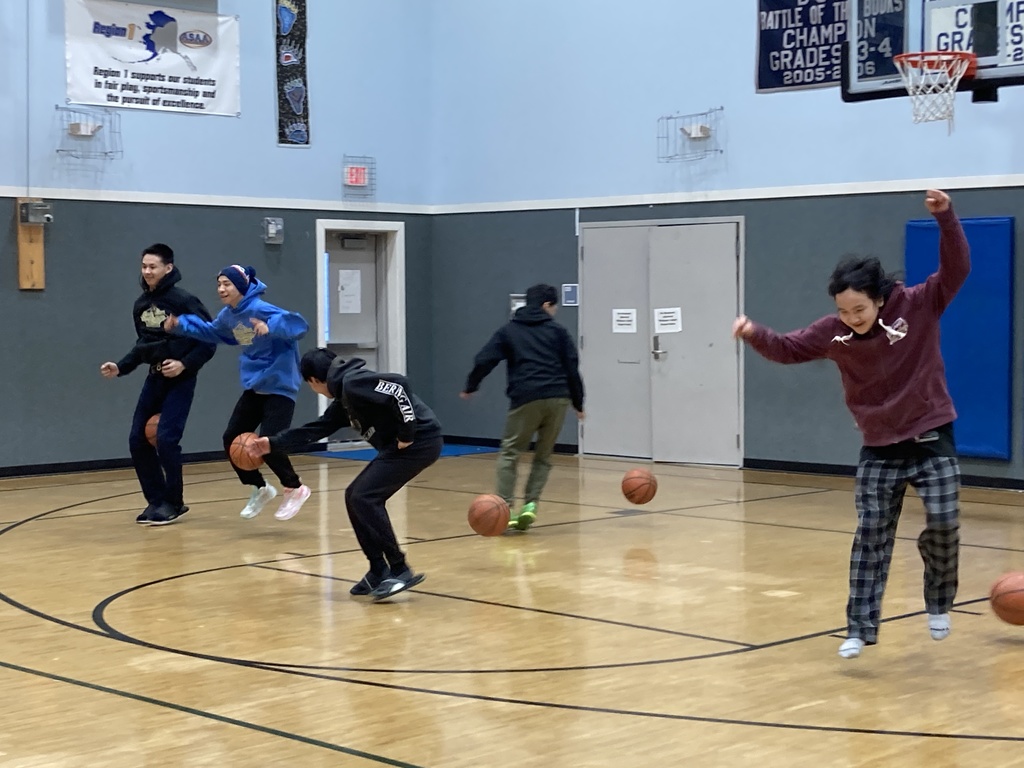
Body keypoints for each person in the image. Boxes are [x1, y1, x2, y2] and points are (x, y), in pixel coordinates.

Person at [732, 189, 969, 659]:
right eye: (843, 311)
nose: (851, 318)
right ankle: (859, 627)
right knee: (871, 536)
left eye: (859, 309)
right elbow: (787, 348)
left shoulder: (920, 304)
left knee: (944, 522)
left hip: (930, 435)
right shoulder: (834, 332)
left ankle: (937, 602)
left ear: (880, 299)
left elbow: (957, 268)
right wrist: (754, 334)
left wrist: (945, 218)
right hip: (879, 445)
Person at [247, 348, 443, 601]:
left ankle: (399, 568)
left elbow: (398, 386)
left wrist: (407, 433)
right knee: (355, 496)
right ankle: (378, 568)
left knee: (364, 496)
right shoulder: (344, 400)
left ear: (314, 381)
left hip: (420, 442)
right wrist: (272, 444)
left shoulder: (353, 383)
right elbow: (316, 430)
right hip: (408, 446)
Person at [164, 264, 312, 521]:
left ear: (241, 286)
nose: (221, 289)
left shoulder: (260, 309)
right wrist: (181, 324)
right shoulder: (228, 315)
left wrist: (272, 326)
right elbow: (211, 332)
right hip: (255, 386)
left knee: (269, 442)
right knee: (231, 438)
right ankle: (260, 487)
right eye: (219, 284)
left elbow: (298, 325)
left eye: (227, 284)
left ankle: (296, 488)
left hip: (279, 386)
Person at [100, 243, 216, 526]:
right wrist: (121, 366)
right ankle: (156, 501)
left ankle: (174, 502)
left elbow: (209, 340)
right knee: (137, 439)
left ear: (168, 268)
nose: (148, 271)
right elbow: (144, 345)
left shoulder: (184, 300)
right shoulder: (141, 305)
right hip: (154, 377)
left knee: (166, 439)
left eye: (153, 266)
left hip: (181, 378)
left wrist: (184, 364)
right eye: (144, 266)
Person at [460, 283, 584, 531]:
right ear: (547, 305)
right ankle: (530, 504)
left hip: (526, 398)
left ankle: (504, 508)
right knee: (543, 456)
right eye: (554, 306)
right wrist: (578, 403)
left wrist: (471, 385)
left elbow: (484, 359)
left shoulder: (509, 331)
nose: (555, 311)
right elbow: (572, 368)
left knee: (510, 453)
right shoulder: (558, 332)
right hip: (558, 398)